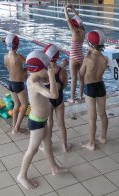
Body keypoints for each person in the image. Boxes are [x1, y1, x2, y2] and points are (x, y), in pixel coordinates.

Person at [17, 50, 67, 189]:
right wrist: (51, 75)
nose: (48, 70)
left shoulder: (36, 78)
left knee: (47, 146)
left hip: (42, 120)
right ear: (39, 69)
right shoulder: (34, 83)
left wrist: (51, 73)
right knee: (32, 150)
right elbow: (53, 95)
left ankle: (54, 168)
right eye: (46, 68)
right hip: (37, 122)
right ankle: (21, 175)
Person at [79, 30, 108, 151]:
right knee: (102, 114)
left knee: (92, 117)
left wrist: (86, 57)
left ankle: (91, 143)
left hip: (90, 87)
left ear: (90, 44)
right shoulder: (104, 59)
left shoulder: (88, 59)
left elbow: (81, 75)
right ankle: (102, 137)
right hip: (100, 86)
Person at [43, 44, 72, 152]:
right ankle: (65, 146)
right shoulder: (62, 70)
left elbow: (42, 85)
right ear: (58, 56)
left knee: (49, 123)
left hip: (48, 100)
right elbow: (64, 85)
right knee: (61, 123)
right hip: (59, 99)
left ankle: (48, 145)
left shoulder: (45, 71)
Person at [4, 34, 28, 134]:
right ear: (17, 45)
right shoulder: (19, 57)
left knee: (16, 104)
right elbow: (30, 65)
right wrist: (25, 70)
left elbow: (9, 68)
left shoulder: (5, 56)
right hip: (18, 84)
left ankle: (14, 126)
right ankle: (17, 128)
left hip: (10, 83)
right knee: (25, 105)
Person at [64, 4, 85, 104]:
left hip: (73, 57)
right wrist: (73, 9)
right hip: (81, 57)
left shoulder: (74, 32)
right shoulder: (83, 31)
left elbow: (68, 20)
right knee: (81, 79)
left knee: (73, 79)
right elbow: (79, 19)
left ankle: (72, 98)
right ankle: (80, 97)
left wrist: (65, 9)